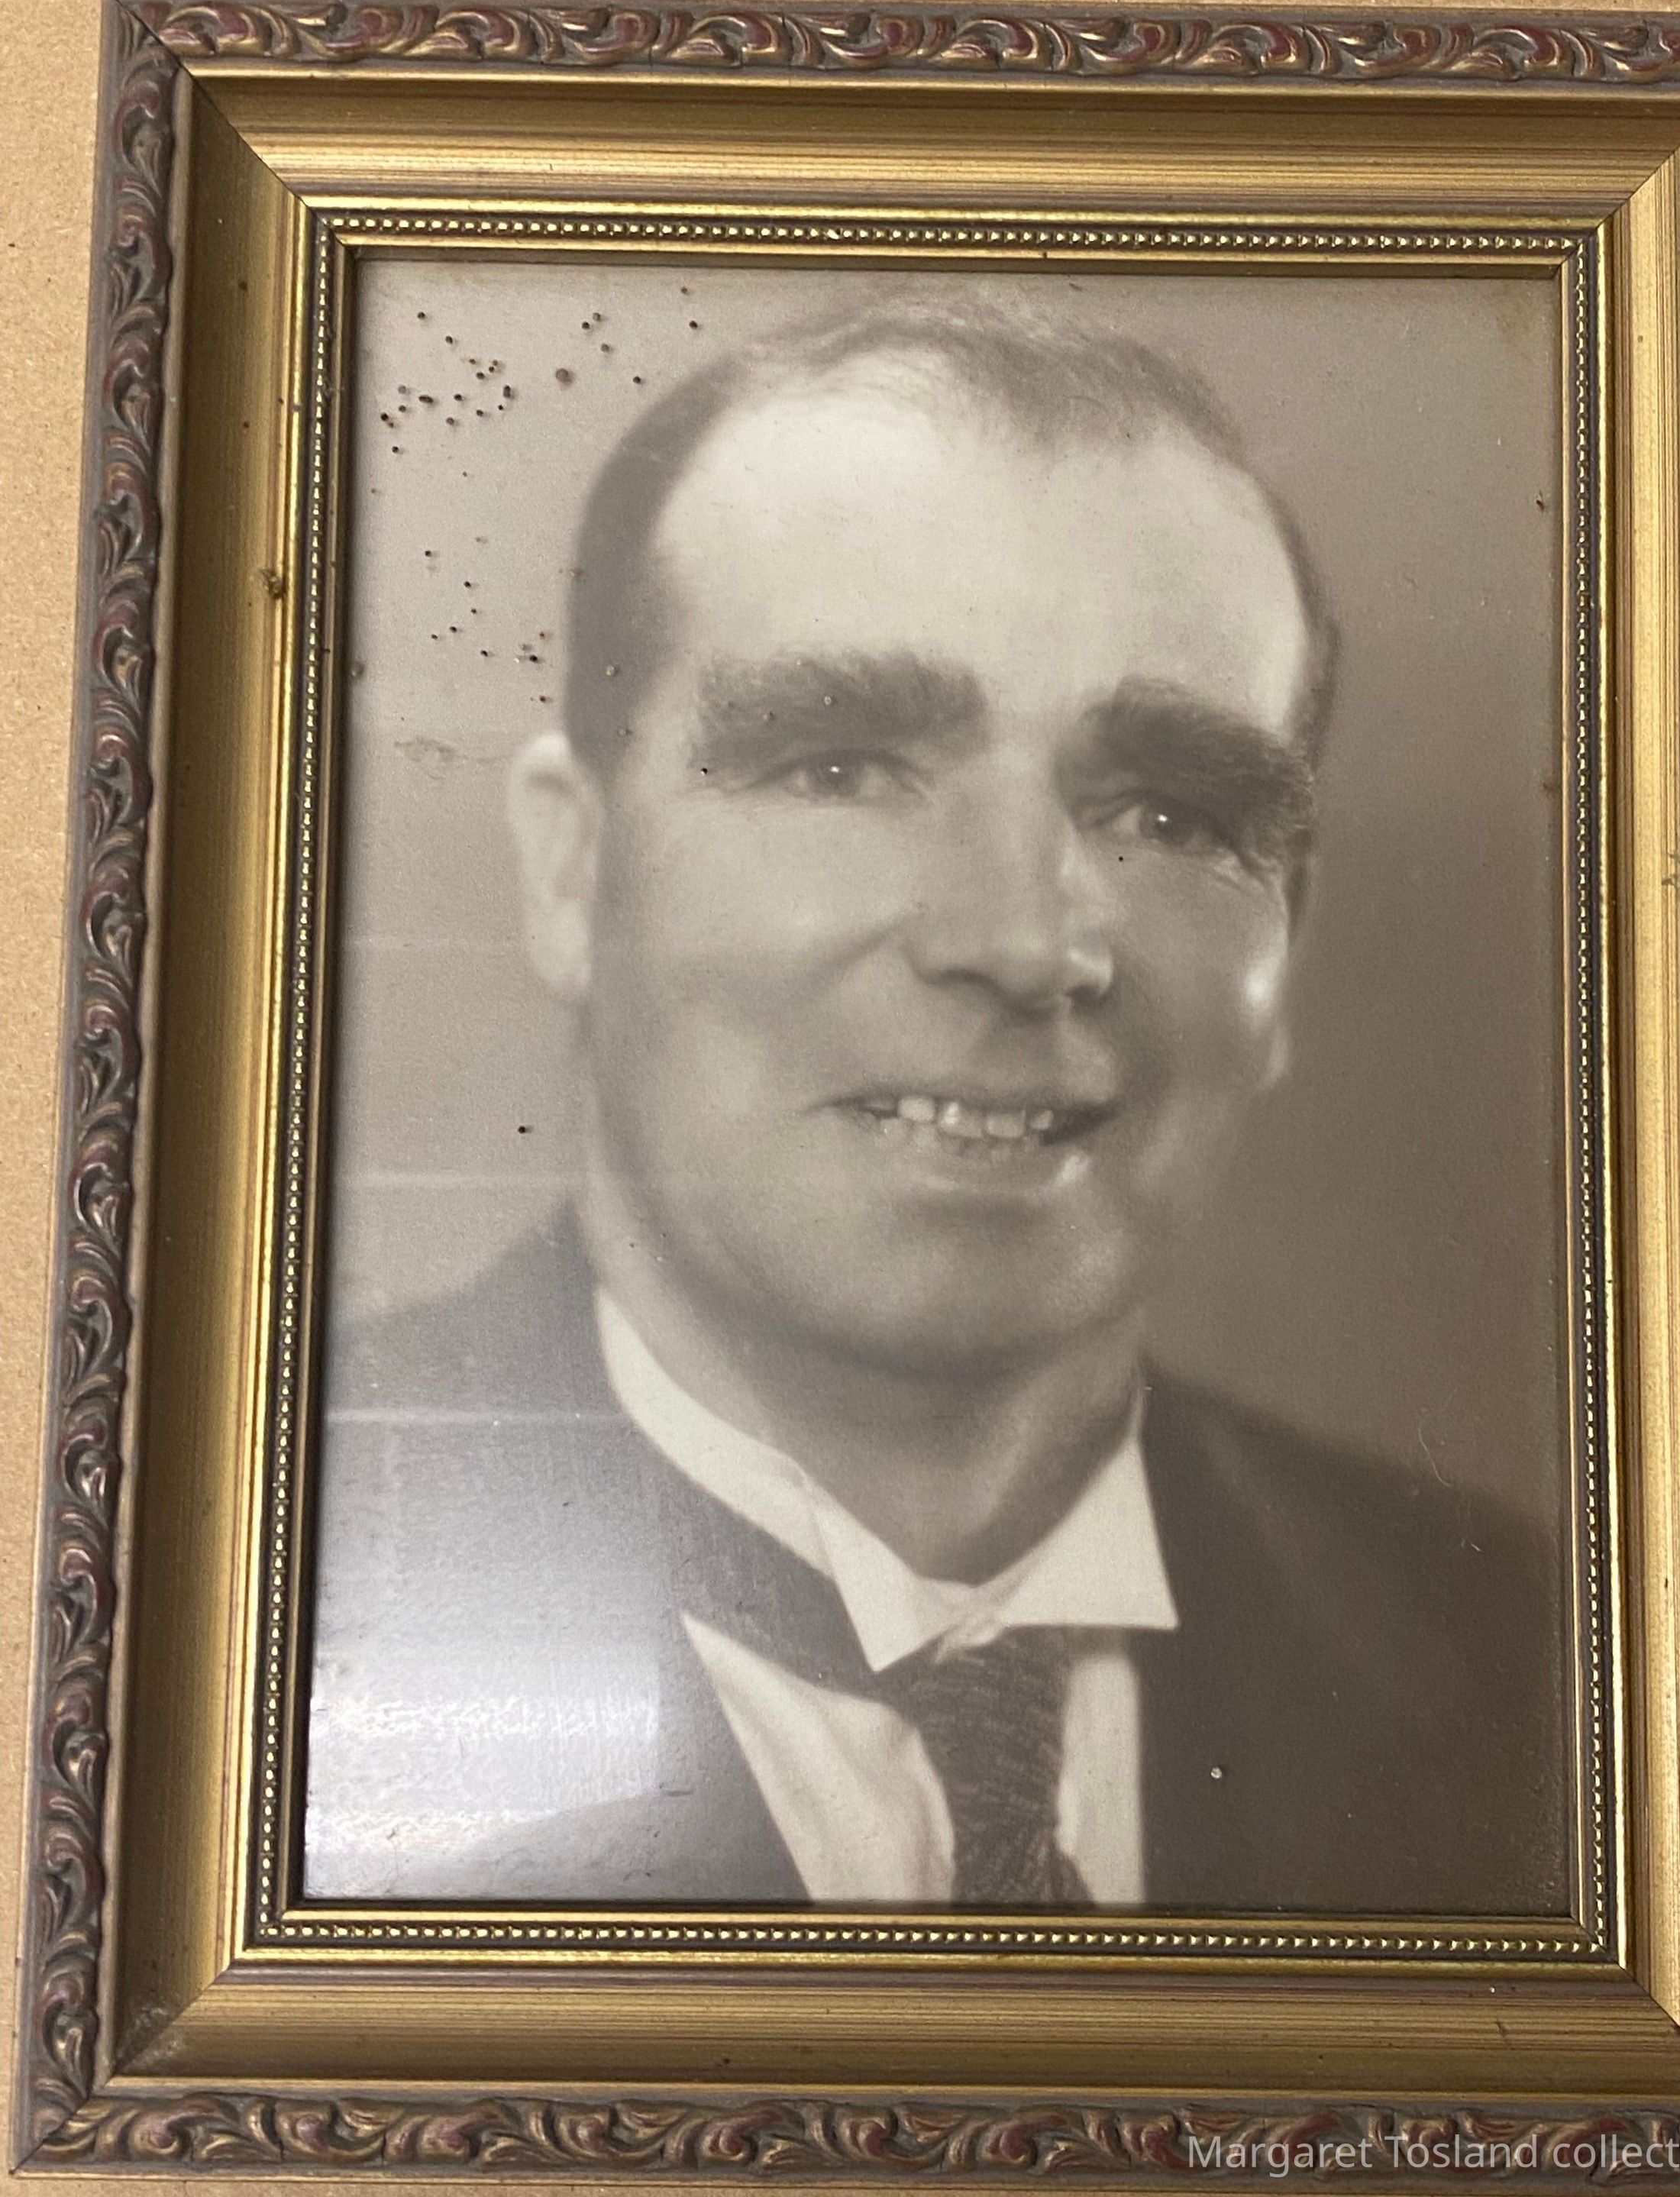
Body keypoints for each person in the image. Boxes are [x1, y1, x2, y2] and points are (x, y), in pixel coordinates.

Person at [304, 293, 1568, 1914]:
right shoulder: (243, 1586)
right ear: (573, 871)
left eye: (1171, 811)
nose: (1022, 941)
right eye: (839, 770)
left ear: (1287, 946)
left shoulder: (1542, 1676)